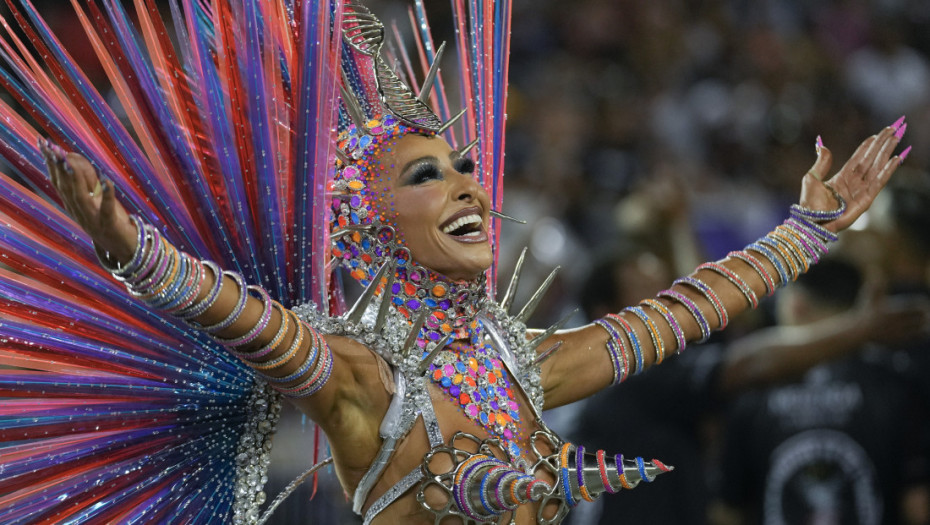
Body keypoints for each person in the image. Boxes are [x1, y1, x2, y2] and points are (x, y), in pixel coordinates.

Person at [0, 0, 912, 523]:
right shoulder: (361, 380)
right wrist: (131, 247)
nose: (469, 187)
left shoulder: (522, 363)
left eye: (466, 169)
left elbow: (680, 313)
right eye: (429, 176)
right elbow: (240, 313)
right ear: (367, 224)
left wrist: (810, 229)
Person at [712, 258, 930, 525]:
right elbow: (918, 506)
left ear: (797, 305)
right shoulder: (896, 383)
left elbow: (728, 510)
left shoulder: (755, 390)